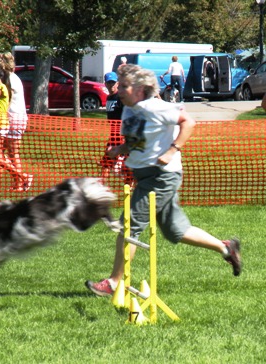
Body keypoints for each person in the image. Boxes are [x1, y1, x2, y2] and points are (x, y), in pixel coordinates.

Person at [85, 64, 242, 297]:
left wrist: (172, 150)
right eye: (119, 85)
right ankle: (225, 247)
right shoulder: (130, 109)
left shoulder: (155, 108)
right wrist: (120, 149)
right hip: (145, 175)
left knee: (129, 224)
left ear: (141, 89)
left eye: (125, 86)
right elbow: (138, 140)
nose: (119, 90)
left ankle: (113, 282)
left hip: (161, 176)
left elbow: (189, 122)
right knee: (174, 230)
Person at [0, 63, 29, 191]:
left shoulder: (0, 88)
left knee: (0, 157)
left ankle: (23, 176)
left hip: (0, 123)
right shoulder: (2, 86)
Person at [0, 52, 33, 191]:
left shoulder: (9, 79)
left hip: (14, 118)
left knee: (12, 153)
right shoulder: (13, 77)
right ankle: (18, 181)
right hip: (15, 117)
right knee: (2, 153)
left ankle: (22, 179)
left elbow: (7, 99)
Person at [100, 72, 133, 186]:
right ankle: (102, 185)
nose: (111, 85)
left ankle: (129, 184)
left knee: (125, 165)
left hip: (122, 135)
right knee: (106, 162)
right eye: (109, 83)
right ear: (105, 84)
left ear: (117, 83)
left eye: (113, 83)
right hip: (113, 135)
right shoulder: (109, 97)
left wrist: (125, 136)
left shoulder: (121, 97)